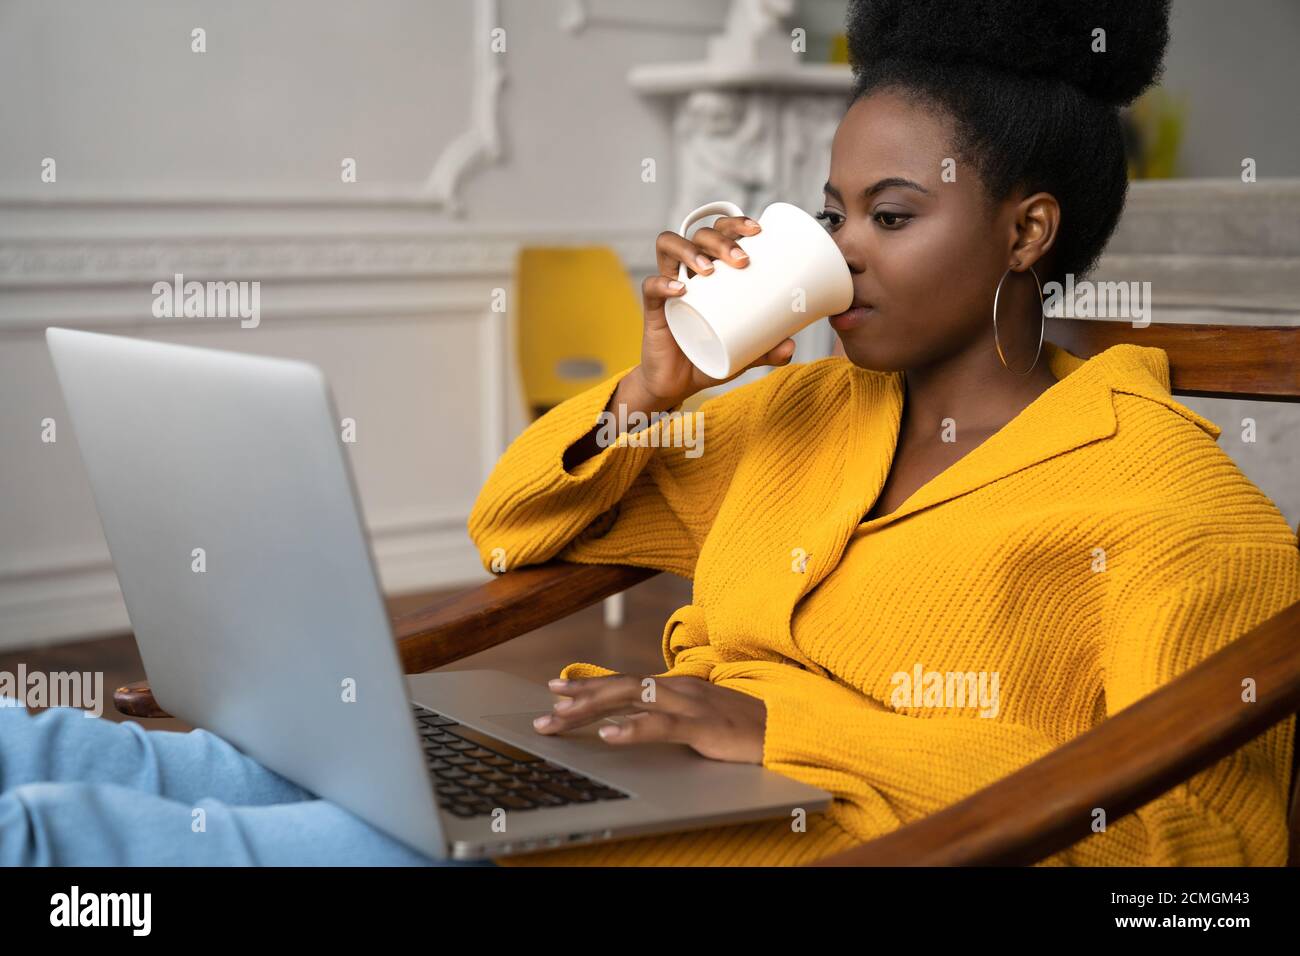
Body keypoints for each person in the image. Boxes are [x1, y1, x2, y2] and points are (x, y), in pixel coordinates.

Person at [4, 0, 1296, 867]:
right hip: (607, 776)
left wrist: (783, 732)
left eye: (891, 216)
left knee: (69, 839)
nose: (844, 251)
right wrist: (656, 383)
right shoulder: (804, 413)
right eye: (831, 213)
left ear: (1026, 231)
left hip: (799, 841)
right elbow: (512, 532)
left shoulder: (1175, 513)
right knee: (63, 752)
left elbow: (1207, 852)